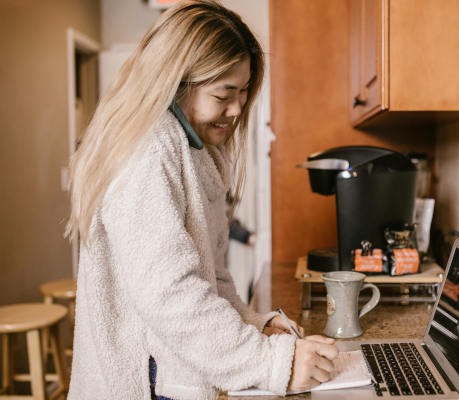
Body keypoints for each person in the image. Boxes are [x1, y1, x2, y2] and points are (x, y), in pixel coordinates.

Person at [65, 1, 338, 399]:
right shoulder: (148, 151)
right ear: (176, 83)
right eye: (224, 93)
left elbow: (209, 277)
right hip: (148, 382)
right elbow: (171, 294)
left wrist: (252, 325)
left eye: (243, 92)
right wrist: (269, 362)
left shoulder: (194, 152)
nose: (238, 108)